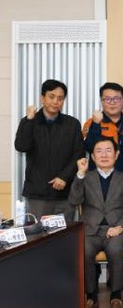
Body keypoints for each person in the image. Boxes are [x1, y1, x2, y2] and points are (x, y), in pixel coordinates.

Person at [68, 137, 123, 308]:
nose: (104, 155)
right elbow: (74, 201)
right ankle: (91, 298)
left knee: (115, 250)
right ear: (92, 156)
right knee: (83, 250)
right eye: (99, 151)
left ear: (116, 154)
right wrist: (80, 174)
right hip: (91, 230)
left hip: (117, 230)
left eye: (108, 150)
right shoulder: (85, 178)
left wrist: (120, 227)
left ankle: (116, 297)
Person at [15, 79, 84, 219]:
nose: (55, 101)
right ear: (42, 98)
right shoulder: (29, 121)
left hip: (65, 193)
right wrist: (29, 120)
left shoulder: (72, 124)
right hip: (38, 194)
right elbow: (21, 146)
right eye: (51, 96)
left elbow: (79, 154)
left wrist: (64, 177)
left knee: (66, 232)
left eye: (60, 98)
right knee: (37, 232)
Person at [82, 82, 123, 175]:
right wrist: (95, 124)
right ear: (101, 101)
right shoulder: (91, 122)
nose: (112, 103)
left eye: (116, 98)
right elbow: (89, 147)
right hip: (97, 178)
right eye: (107, 99)